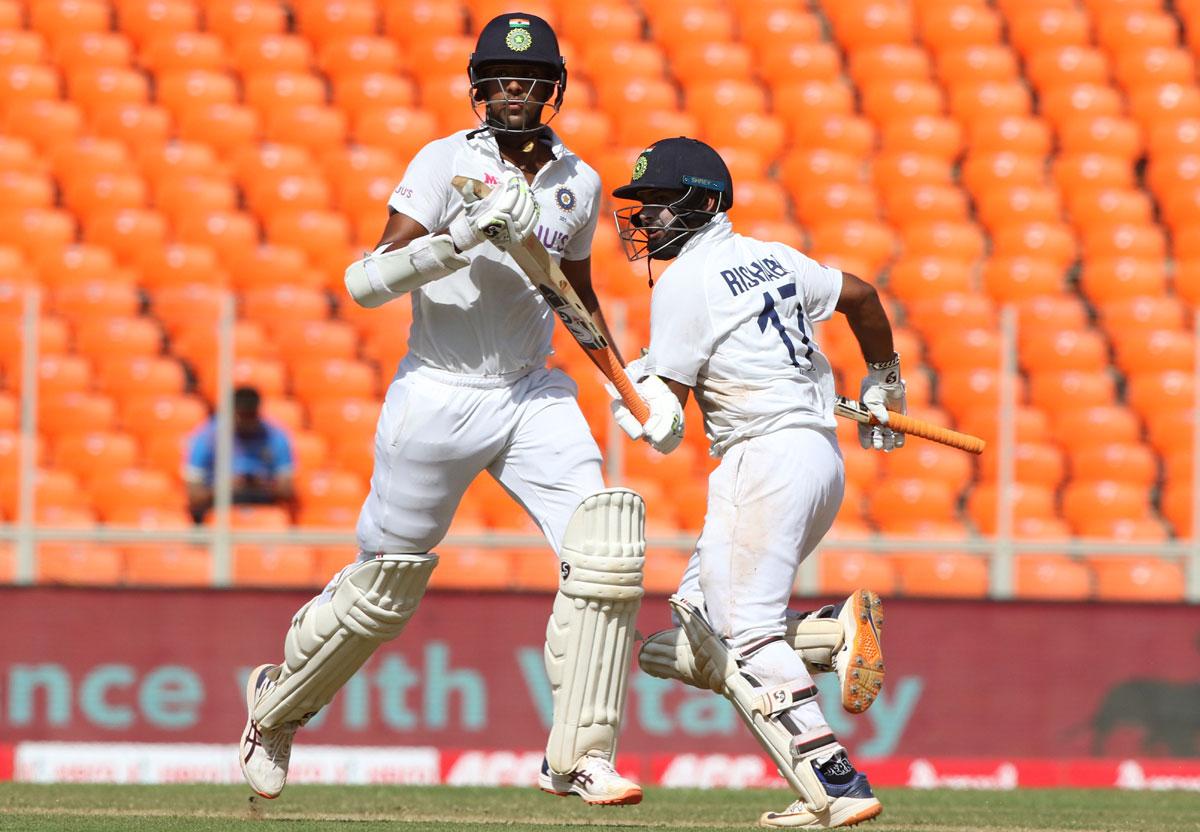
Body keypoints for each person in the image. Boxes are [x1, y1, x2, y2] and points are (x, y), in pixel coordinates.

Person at [238, 13, 647, 807]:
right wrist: (457, 237)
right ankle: (277, 707)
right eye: (499, 79)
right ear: (478, 88)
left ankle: (580, 755)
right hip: (438, 388)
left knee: (608, 550)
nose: (513, 92)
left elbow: (575, 293)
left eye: (528, 80)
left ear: (553, 88)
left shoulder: (579, 182)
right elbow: (371, 277)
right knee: (385, 586)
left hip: (532, 389)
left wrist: (624, 387)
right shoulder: (441, 162)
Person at [608, 137, 900, 828]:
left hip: (762, 460)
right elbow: (862, 296)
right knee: (681, 640)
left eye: (658, 205)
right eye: (640, 206)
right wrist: (886, 384)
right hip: (819, 459)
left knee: (746, 637)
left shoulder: (685, 282)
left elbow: (665, 423)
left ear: (705, 202)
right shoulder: (771, 255)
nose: (644, 220)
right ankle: (830, 635)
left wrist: (632, 402)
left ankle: (836, 782)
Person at [184, 386, 295, 523]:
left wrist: (260, 484)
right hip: (218, 506)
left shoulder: (275, 436)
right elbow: (194, 495)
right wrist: (226, 487)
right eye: (241, 416)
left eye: (251, 416)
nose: (246, 422)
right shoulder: (207, 437)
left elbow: (286, 490)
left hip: (263, 506)